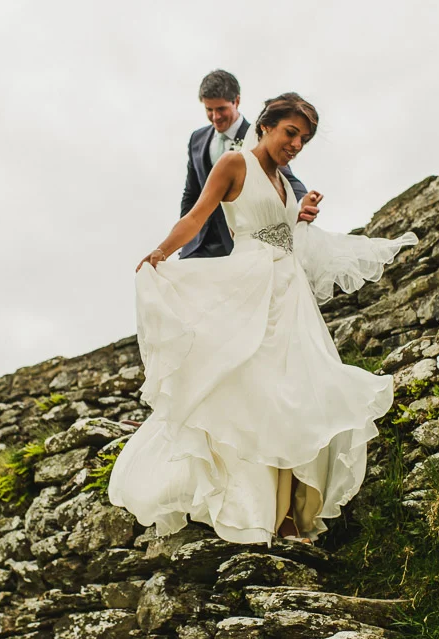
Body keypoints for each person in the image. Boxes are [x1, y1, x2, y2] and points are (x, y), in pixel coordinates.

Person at [108, 93, 418, 545]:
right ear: (266, 125)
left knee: (293, 395)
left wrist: (302, 215)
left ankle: (290, 516)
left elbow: (289, 237)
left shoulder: (285, 184)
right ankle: (252, 512)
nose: (296, 144)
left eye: (304, 140)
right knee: (254, 392)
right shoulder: (234, 164)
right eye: (291, 132)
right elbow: (198, 214)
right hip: (251, 287)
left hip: (290, 296)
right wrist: (161, 251)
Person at [180, 70, 312, 259]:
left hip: (235, 244)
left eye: (221, 109)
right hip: (199, 245)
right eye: (209, 110)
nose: (215, 116)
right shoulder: (197, 139)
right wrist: (185, 241)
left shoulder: (260, 136)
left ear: (237, 101)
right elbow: (191, 194)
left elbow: (286, 177)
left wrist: (301, 204)